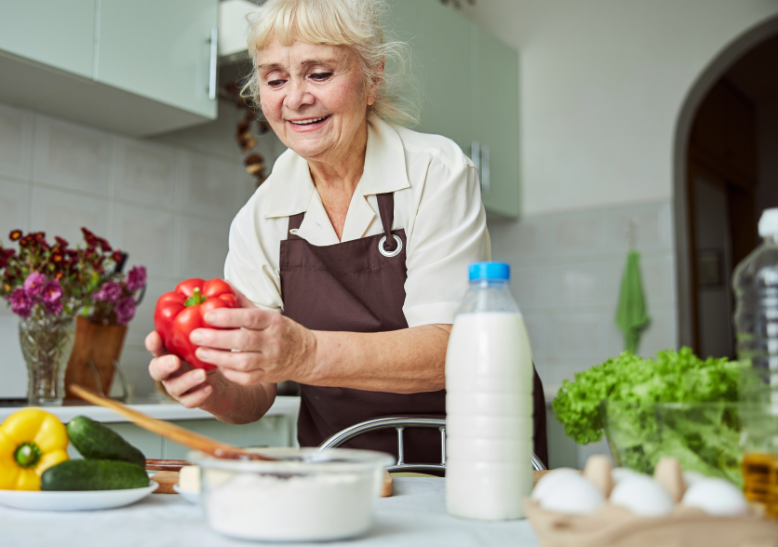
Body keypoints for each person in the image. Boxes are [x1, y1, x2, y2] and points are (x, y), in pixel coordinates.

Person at [147, 0, 547, 467]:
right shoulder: (261, 216)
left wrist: (305, 353)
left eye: (319, 74)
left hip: (472, 458)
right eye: (275, 79)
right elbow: (255, 394)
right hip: (344, 466)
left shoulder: (436, 172)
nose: (295, 98)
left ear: (372, 78)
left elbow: (453, 349)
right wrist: (213, 387)